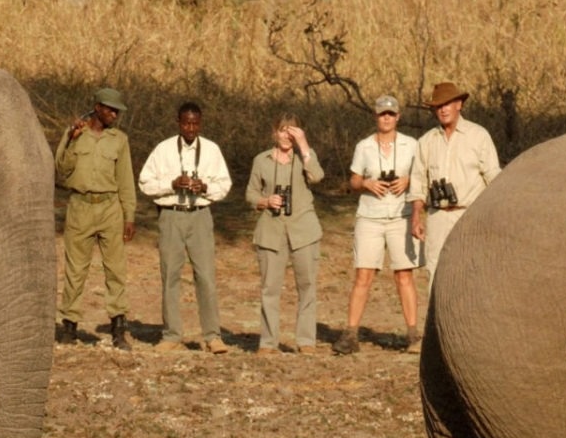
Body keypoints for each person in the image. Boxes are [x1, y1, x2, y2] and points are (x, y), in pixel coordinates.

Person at [138, 101, 233, 353]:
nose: (191, 128)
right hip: (171, 215)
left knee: (206, 276)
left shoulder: (212, 150)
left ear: (200, 124)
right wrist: (172, 183)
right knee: (169, 275)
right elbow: (145, 183)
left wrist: (204, 187)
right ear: (178, 123)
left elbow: (225, 184)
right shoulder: (163, 149)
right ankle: (171, 335)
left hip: (200, 214)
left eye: (195, 123)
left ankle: (213, 336)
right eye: (186, 123)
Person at [336, 95, 421, 355]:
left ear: (398, 117)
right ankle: (351, 333)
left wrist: (407, 181)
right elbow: (353, 180)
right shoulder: (364, 146)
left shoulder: (412, 145)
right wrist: (366, 184)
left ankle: (413, 334)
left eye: (391, 114)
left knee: (404, 275)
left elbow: (421, 175)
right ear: (375, 116)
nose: (386, 118)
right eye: (382, 113)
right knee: (363, 275)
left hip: (401, 214)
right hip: (370, 216)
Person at [55, 87, 137, 349]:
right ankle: (69, 326)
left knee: (115, 269)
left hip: (110, 207)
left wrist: (129, 215)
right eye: (110, 109)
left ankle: (118, 327)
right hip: (80, 206)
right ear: (98, 107)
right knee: (75, 270)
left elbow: (125, 180)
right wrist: (71, 140)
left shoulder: (119, 140)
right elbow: (61, 172)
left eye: (117, 110)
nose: (114, 114)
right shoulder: (74, 134)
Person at [245, 115, 326, 354]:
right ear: (274, 132)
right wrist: (265, 200)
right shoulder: (261, 160)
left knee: (307, 285)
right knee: (269, 287)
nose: (286, 136)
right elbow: (250, 193)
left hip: (304, 229)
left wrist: (304, 145)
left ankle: (306, 341)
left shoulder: (305, 156)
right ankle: (268, 342)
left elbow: (318, 176)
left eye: (292, 131)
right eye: (282, 130)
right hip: (271, 229)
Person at [410, 81, 501, 283]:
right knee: (435, 272)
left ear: (459, 104)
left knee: (471, 271)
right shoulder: (427, 141)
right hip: (437, 216)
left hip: (469, 214)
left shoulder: (478, 136)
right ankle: (437, 315)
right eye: (438, 106)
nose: (442, 110)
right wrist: (416, 216)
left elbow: (493, 178)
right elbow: (418, 183)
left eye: (447, 104)